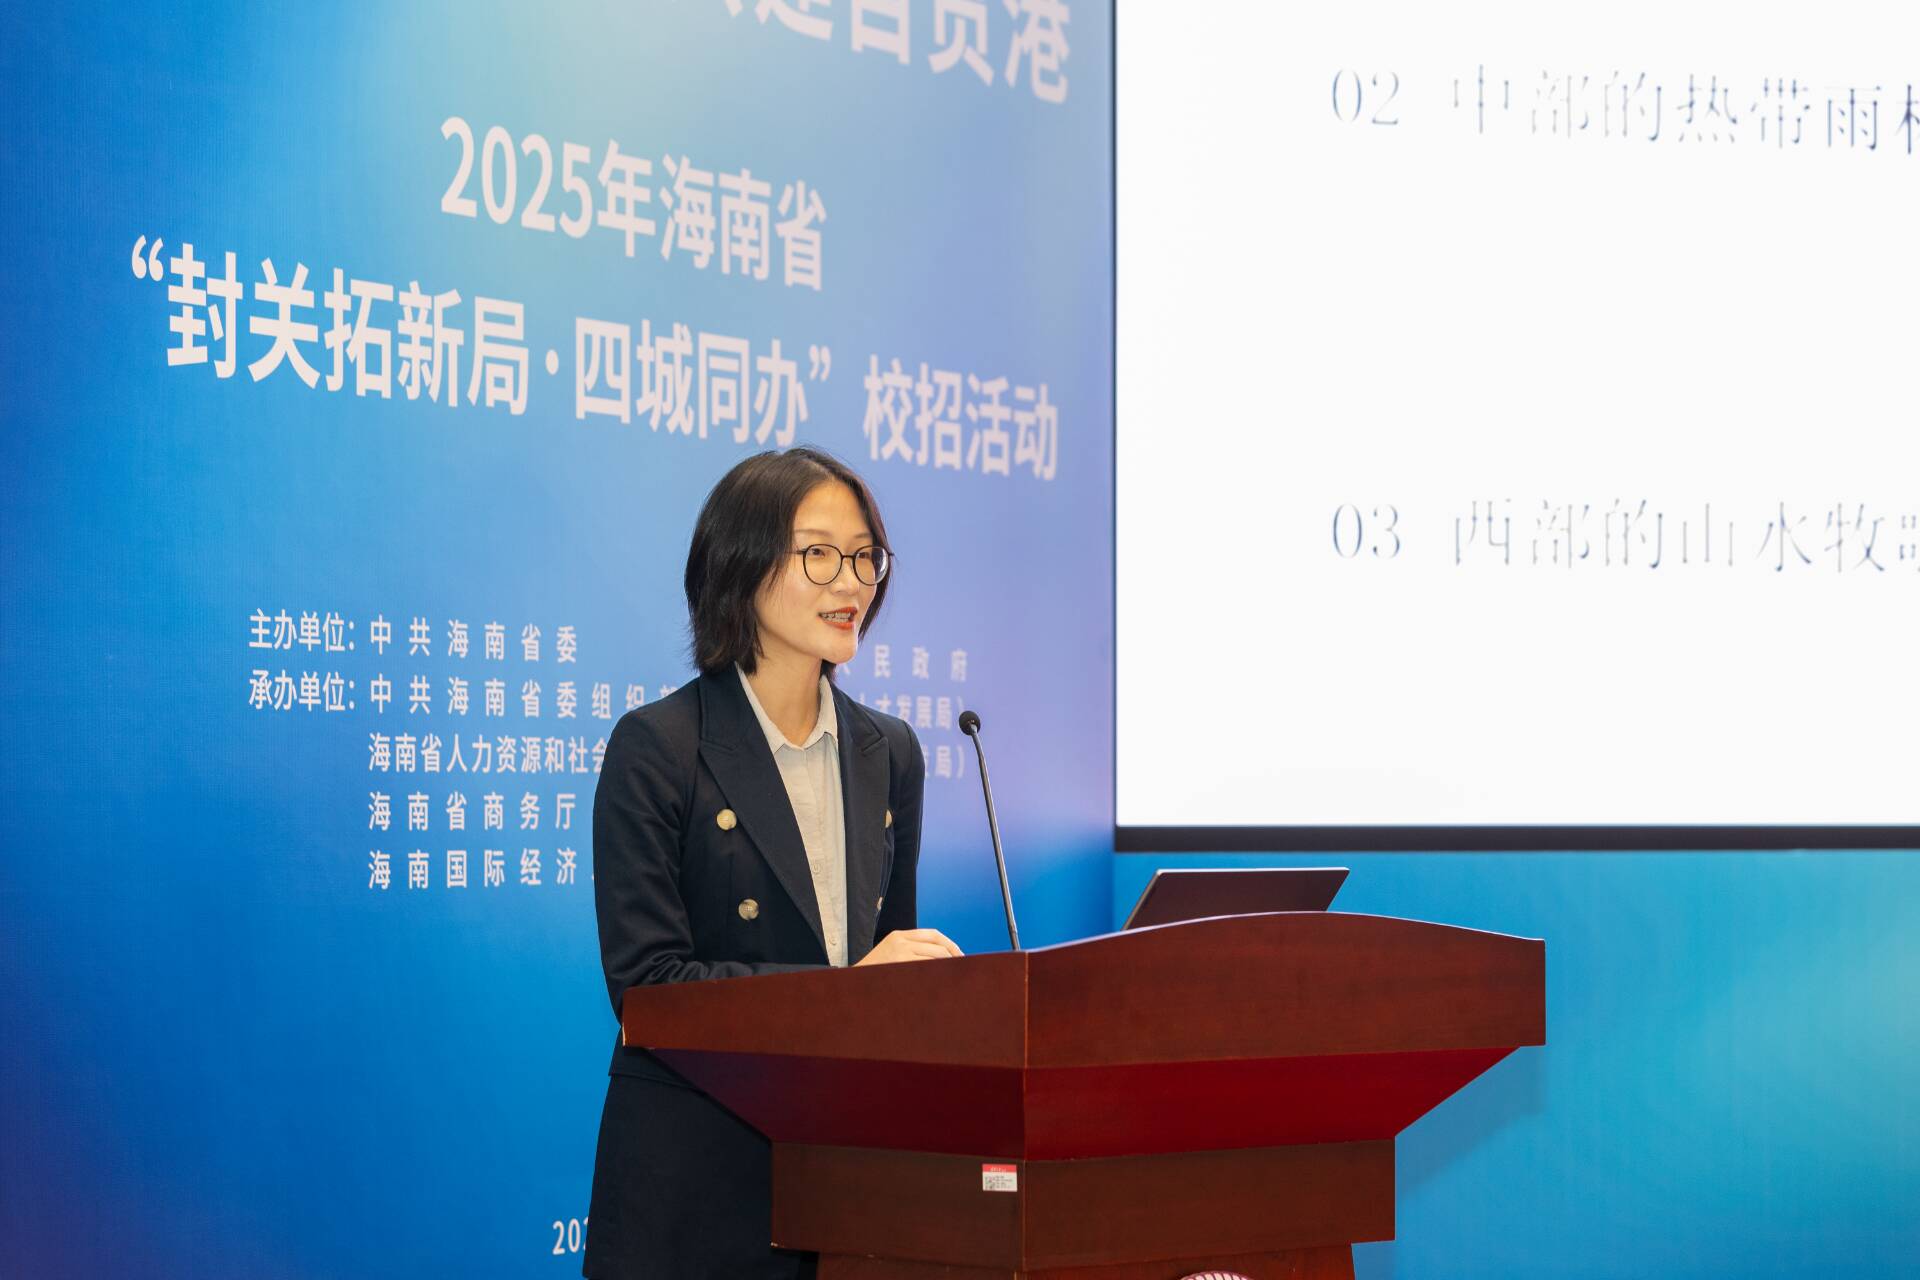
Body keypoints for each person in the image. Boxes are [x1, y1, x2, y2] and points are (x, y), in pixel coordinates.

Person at [583, 447, 962, 1280]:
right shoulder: (659, 748)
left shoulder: (889, 751)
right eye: (819, 554)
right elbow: (648, 990)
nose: (851, 583)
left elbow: (889, 974)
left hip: (844, 1184)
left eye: (864, 557)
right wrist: (847, 992)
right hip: (695, 1185)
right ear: (742, 566)